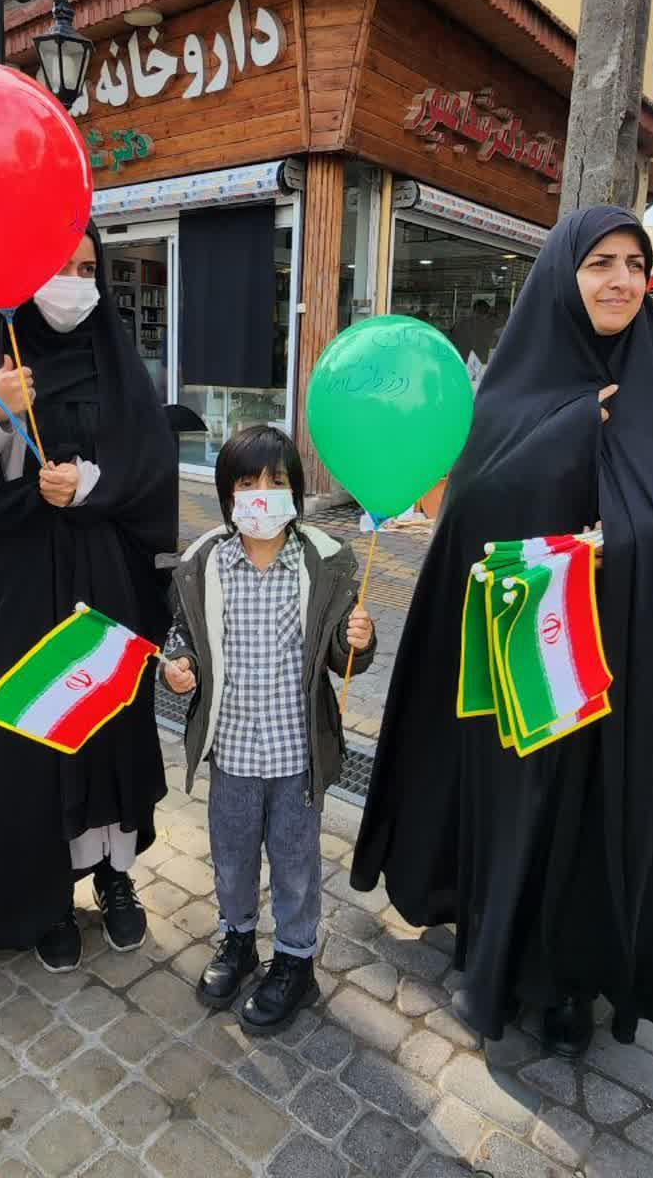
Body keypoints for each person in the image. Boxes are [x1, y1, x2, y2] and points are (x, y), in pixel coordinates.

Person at [349, 207, 653, 1057]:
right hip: (526, 659)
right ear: (561, 276)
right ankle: (493, 957)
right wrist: (567, 441)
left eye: (636, 265)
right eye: (599, 262)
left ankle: (572, 983)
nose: (620, 281)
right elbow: (468, 518)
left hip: (627, 665)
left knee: (594, 820)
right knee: (518, 811)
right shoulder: (511, 395)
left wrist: (631, 548)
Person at [0, 225, 179, 986]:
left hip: (105, 582)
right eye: (60, 266)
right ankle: (43, 896)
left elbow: (151, 467)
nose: (75, 282)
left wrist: (94, 487)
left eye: (89, 268)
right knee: (26, 736)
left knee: (105, 729)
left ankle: (112, 875)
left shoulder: (116, 362)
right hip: (15, 586)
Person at [161, 426, 376, 1033]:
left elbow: (342, 653)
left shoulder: (325, 559)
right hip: (230, 751)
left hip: (296, 755)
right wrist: (178, 668)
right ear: (228, 493)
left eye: (276, 482)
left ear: (296, 490)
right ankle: (237, 942)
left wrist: (357, 639)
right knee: (231, 860)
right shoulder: (205, 561)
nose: (262, 494)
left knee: (296, 863)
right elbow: (184, 637)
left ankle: (296, 961)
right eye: (248, 482)